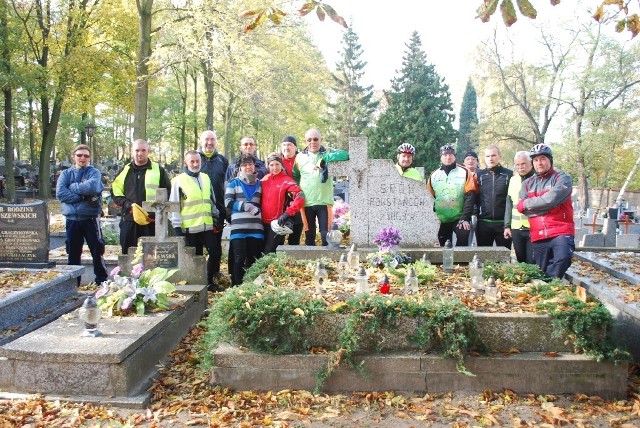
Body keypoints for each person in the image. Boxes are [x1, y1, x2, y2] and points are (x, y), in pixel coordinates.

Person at [517, 144, 575, 278]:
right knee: (541, 272)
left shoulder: (562, 178)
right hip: (538, 234)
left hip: (560, 229)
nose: (539, 163)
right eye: (536, 160)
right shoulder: (527, 184)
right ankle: (549, 292)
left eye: (543, 158)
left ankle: (552, 286)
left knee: (563, 258)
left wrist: (531, 204)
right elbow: (522, 208)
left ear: (550, 160)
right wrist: (549, 207)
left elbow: (551, 199)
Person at [56, 144, 108, 285]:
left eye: (86, 155)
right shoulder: (66, 174)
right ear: (74, 157)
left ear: (89, 158)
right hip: (72, 220)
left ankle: (102, 282)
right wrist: (83, 197)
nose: (82, 158)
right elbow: (61, 194)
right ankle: (74, 284)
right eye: (79, 155)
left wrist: (73, 188)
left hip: (90, 219)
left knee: (97, 251)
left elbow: (91, 187)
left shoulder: (94, 173)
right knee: (73, 254)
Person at [169, 150, 221, 291]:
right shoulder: (179, 181)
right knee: (196, 257)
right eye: (192, 161)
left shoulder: (205, 177)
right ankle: (196, 284)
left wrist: (215, 218)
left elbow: (211, 200)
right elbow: (174, 205)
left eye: (198, 161)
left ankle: (209, 281)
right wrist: (177, 227)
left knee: (215, 252)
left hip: (207, 226)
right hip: (189, 228)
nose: (195, 164)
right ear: (186, 163)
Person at [112, 139, 171, 254]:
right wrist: (128, 206)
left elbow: (167, 192)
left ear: (148, 151)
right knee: (128, 255)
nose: (140, 153)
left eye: (143, 150)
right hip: (129, 219)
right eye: (137, 150)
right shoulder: (125, 170)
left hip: (152, 220)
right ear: (131, 151)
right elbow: (115, 193)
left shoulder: (159, 170)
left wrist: (155, 210)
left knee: (152, 257)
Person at [293, 128, 349, 246]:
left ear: (321, 140)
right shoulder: (299, 157)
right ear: (305, 141)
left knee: (326, 237)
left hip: (324, 201)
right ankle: (310, 264)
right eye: (309, 140)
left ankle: (325, 262)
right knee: (309, 237)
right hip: (306, 202)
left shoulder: (328, 153)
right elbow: (296, 176)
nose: (312, 142)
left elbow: (346, 155)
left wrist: (325, 159)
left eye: (315, 139)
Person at [225, 154, 263, 286]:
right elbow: (228, 202)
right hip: (238, 229)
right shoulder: (233, 183)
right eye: (244, 165)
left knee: (253, 260)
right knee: (239, 259)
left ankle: (251, 288)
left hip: (256, 229)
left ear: (254, 166)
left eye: (250, 164)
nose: (248, 167)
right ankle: (237, 287)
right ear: (240, 168)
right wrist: (245, 206)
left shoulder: (260, 184)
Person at [427, 144, 476, 247]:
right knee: (440, 248)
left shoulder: (465, 172)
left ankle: (461, 262)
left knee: (463, 238)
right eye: (445, 155)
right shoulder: (434, 175)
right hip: (440, 219)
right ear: (440, 157)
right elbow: (429, 198)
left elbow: (470, 196)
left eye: (451, 154)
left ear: (455, 156)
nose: (448, 157)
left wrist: (465, 218)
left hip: (459, 218)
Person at [197, 130, 228, 284]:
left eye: (212, 140)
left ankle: (214, 273)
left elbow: (227, 185)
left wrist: (226, 210)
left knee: (216, 246)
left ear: (216, 142)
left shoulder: (222, 160)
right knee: (197, 246)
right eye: (206, 140)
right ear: (200, 141)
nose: (209, 143)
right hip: (197, 211)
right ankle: (197, 275)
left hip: (218, 211)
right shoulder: (195, 159)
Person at [260, 152, 305, 254]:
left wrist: (288, 213)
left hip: (277, 224)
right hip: (261, 223)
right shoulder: (264, 180)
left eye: (277, 164)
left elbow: (300, 196)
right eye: (271, 165)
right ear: (268, 166)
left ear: (281, 165)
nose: (274, 167)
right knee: (259, 253)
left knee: (268, 253)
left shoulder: (287, 181)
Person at [475, 144, 512, 248]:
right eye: (487, 156)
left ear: (500, 157)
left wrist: (508, 223)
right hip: (483, 223)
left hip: (503, 224)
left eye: (493, 155)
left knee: (504, 258)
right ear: (484, 158)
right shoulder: (479, 175)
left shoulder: (509, 175)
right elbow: (474, 197)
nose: (490, 158)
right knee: (483, 259)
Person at [504, 151, 535, 264]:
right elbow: (509, 203)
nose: (520, 167)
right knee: (521, 261)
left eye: (523, 164)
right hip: (516, 228)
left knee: (531, 262)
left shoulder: (537, 179)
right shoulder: (513, 180)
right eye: (517, 165)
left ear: (531, 163)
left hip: (533, 227)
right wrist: (507, 225)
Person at [280, 135, 304, 245]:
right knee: (279, 237)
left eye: (289, 145)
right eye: (284, 145)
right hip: (281, 205)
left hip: (298, 203)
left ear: (295, 147)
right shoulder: (277, 162)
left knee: (295, 237)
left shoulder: (302, 160)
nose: (287, 147)